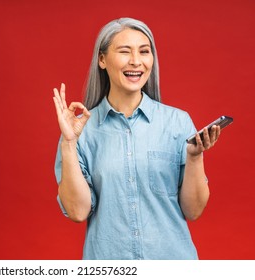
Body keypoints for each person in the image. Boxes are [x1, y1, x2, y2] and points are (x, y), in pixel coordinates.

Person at [52, 17, 222, 260]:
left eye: (144, 51)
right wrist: (68, 143)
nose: (136, 61)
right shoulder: (81, 130)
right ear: (102, 60)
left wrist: (194, 157)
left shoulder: (177, 123)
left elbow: (193, 211)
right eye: (124, 51)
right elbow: (78, 212)